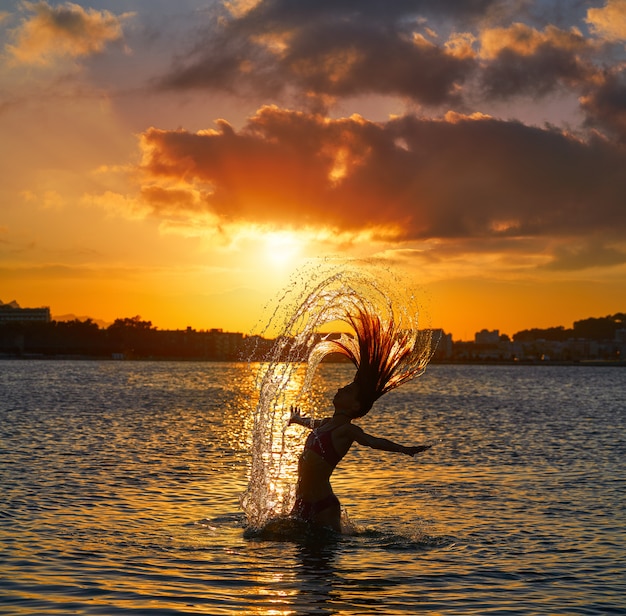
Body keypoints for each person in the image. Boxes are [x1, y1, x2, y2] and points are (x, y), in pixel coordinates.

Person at [289, 381, 432, 532]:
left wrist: (403, 449)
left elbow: (373, 441)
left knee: (325, 547)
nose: (340, 388)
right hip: (301, 502)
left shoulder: (347, 430)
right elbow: (308, 422)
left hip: (323, 506)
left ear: (355, 406)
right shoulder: (325, 423)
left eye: (348, 391)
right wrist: (297, 419)